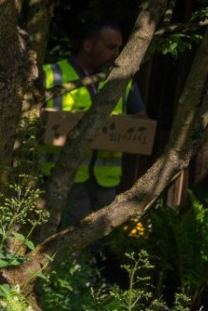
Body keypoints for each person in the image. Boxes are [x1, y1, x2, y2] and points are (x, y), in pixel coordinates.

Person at [41, 21, 146, 223]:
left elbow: (142, 125)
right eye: (110, 47)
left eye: (119, 48)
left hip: (105, 184)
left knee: (98, 239)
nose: (116, 54)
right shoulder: (52, 75)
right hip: (62, 178)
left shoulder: (122, 81)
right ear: (88, 46)